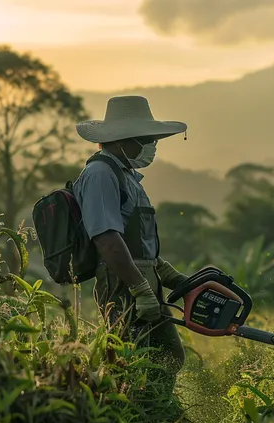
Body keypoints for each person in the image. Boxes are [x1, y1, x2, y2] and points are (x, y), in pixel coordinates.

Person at [73, 95, 190, 395]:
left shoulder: (126, 176)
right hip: (123, 285)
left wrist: (165, 272)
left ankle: (162, 420)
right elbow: (107, 240)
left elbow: (135, 239)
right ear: (123, 140)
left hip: (144, 279)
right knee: (132, 364)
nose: (151, 146)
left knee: (168, 356)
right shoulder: (100, 174)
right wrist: (139, 289)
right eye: (146, 139)